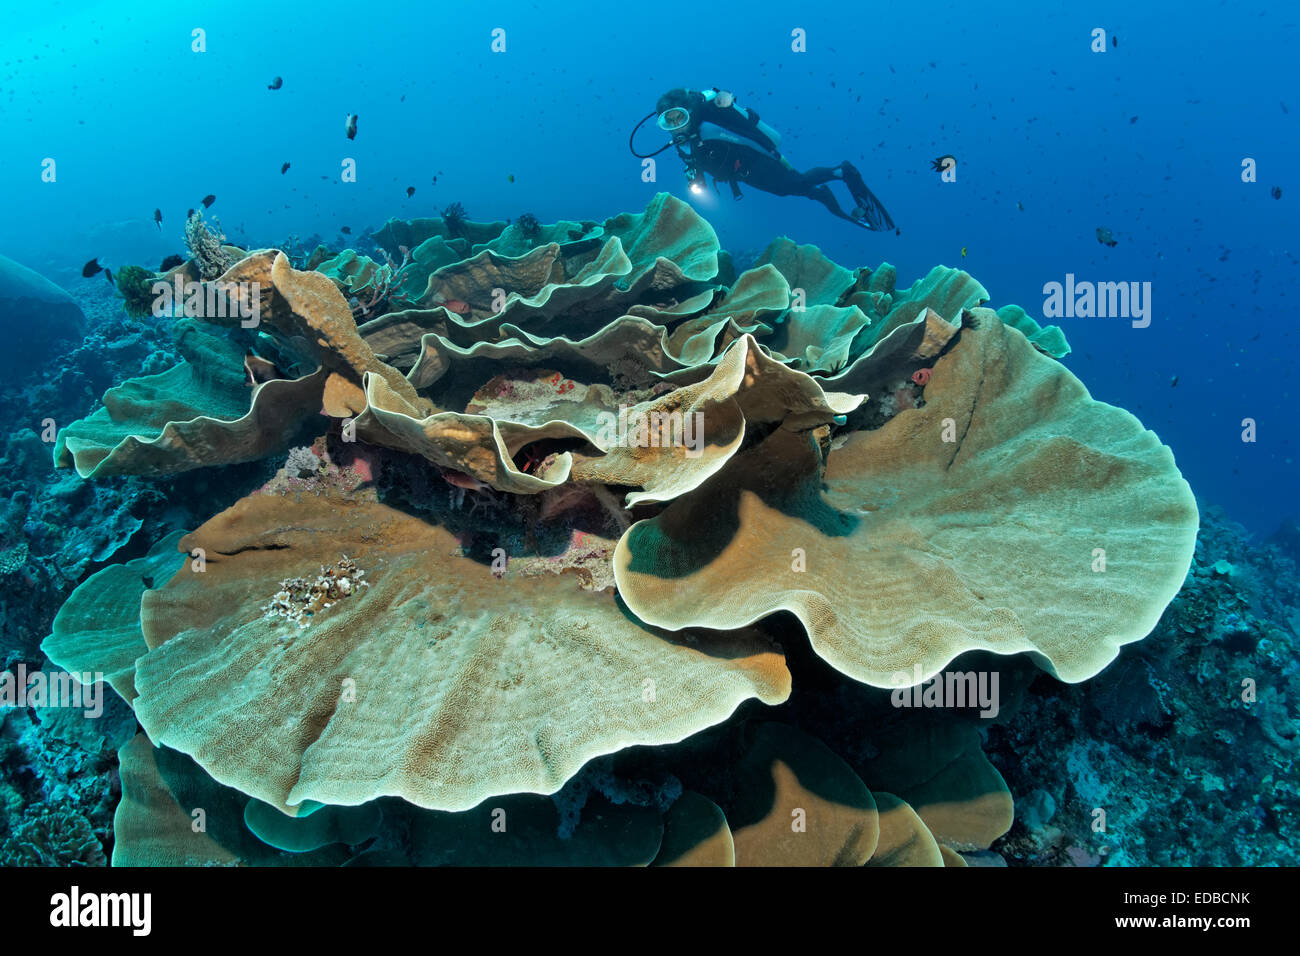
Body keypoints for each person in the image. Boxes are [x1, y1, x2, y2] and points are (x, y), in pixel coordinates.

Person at [651, 87, 895, 231]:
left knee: (795, 184)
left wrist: (777, 156)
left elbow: (746, 140)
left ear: (689, 113)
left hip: (756, 163)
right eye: (668, 121)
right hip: (743, 174)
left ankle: (841, 172)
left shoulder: (707, 129)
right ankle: (822, 191)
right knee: (791, 188)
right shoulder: (686, 138)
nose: (675, 125)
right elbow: (698, 161)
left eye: (679, 118)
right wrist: (696, 178)